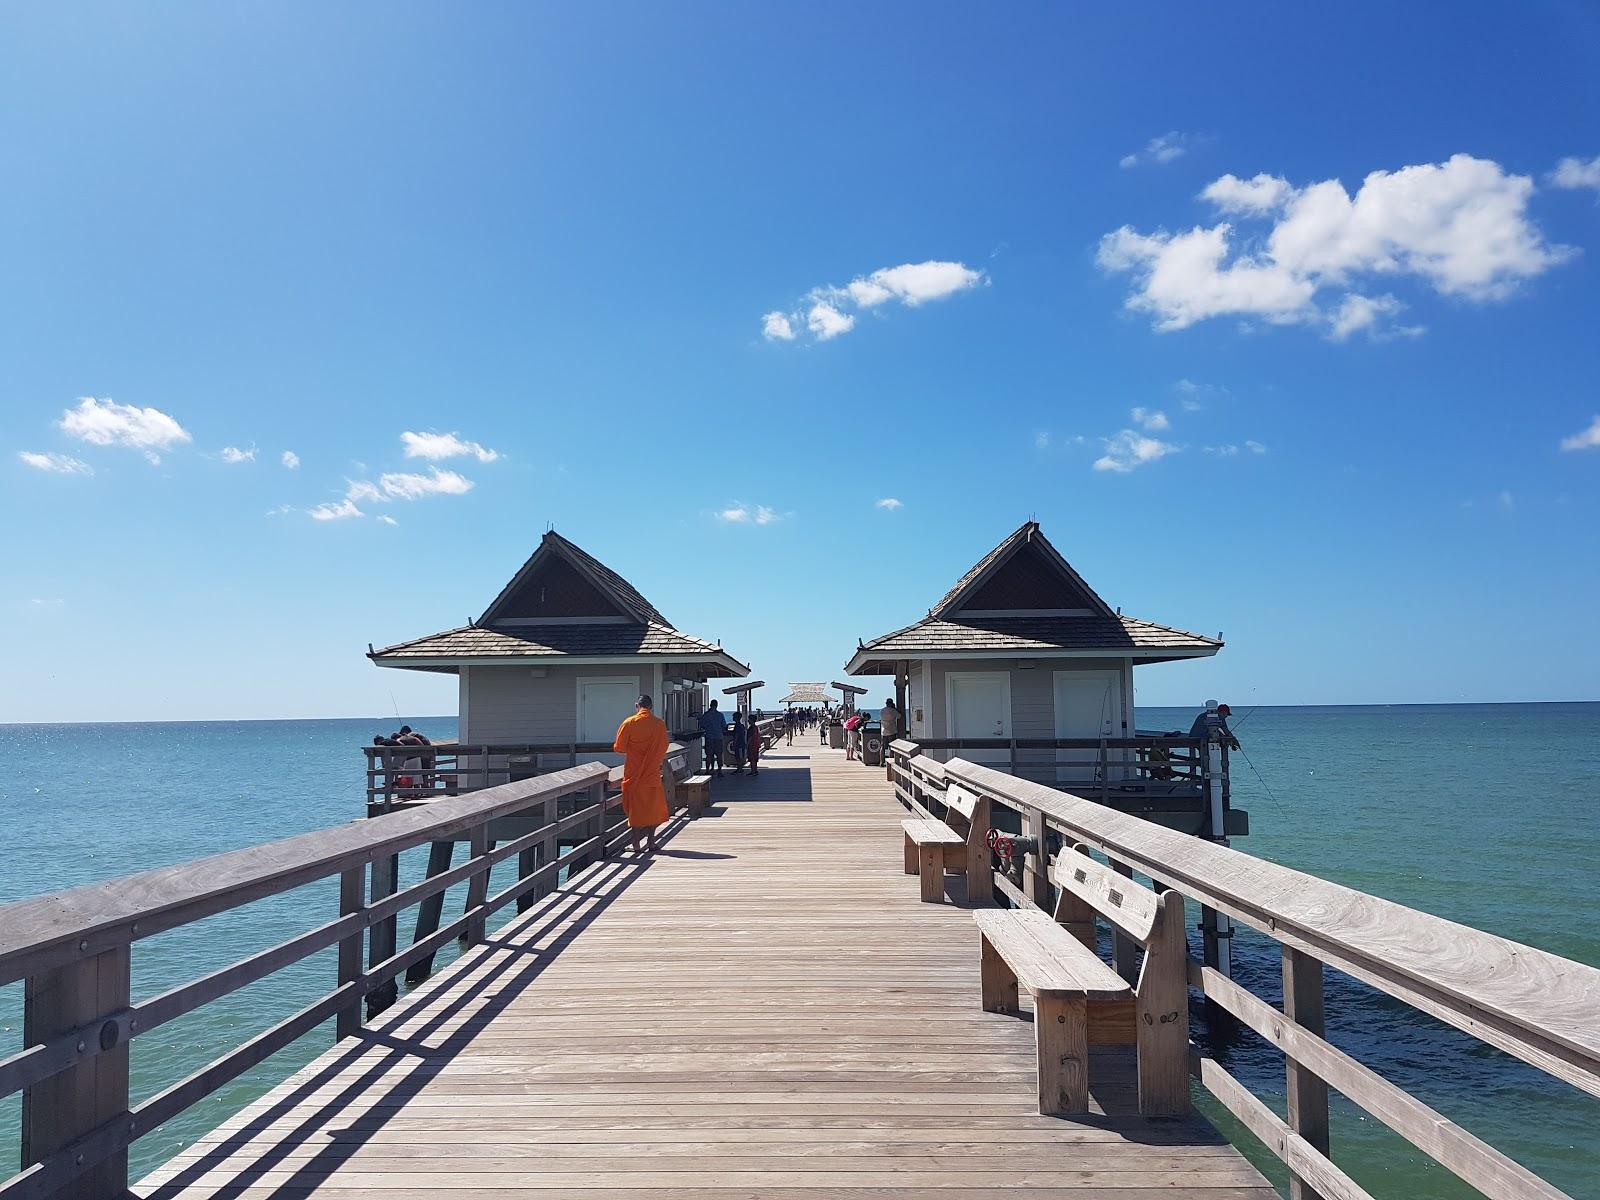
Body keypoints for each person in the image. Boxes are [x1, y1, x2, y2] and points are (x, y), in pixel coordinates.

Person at [613, 694, 670, 854]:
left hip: (633, 772)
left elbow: (619, 747)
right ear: (651, 707)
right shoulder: (659, 724)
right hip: (652, 772)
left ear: (637, 706)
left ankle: (636, 844)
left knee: (635, 809)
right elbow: (664, 746)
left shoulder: (629, 723)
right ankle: (651, 842)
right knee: (653, 808)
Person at [698, 700, 727, 777]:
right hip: (719, 737)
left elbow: (701, 725)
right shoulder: (720, 715)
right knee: (719, 754)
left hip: (709, 737)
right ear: (717, 705)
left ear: (710, 705)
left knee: (709, 755)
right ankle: (720, 770)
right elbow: (724, 726)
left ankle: (709, 769)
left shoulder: (706, 715)